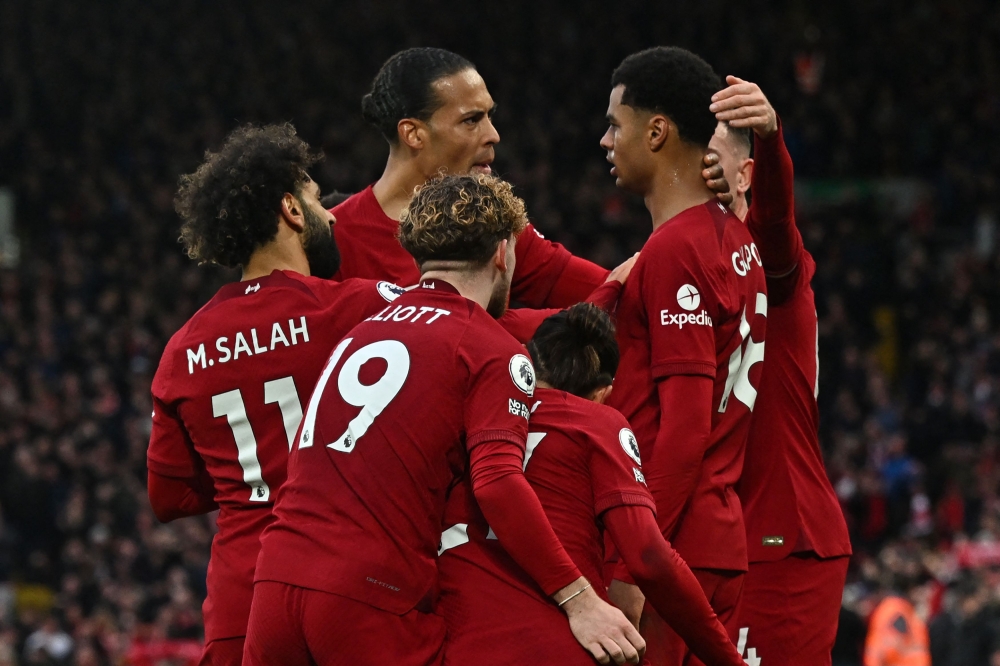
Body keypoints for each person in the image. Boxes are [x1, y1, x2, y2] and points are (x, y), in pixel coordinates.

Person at [245, 174, 644, 666]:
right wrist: (580, 601)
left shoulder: (360, 332)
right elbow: (497, 483)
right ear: (503, 252)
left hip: (276, 580)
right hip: (366, 593)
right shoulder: (490, 349)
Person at [145, 123, 405, 666]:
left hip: (242, 600)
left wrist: (251, 475)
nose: (331, 213)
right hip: (346, 583)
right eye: (315, 198)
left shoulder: (181, 351)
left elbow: (168, 499)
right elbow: (460, 327)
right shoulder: (353, 308)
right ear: (291, 209)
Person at [438, 303, 746, 666]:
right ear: (604, 391)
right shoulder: (595, 423)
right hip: (557, 641)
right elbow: (649, 556)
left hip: (447, 641)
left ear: (526, 360)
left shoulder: (466, 414)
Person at [599, 47, 767, 666]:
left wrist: (635, 562)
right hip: (718, 540)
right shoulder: (736, 240)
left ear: (657, 131)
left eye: (616, 124)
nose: (606, 140)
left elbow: (685, 428)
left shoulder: (677, 251)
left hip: (674, 546)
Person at [332, 47, 732, 304]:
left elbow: (617, 291)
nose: (493, 135)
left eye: (490, 115)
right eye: (472, 120)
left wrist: (719, 221)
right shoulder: (335, 240)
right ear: (413, 133)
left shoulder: (497, 229)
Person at [707, 77, 853, 665]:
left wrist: (769, 141)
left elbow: (775, 223)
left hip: (780, 538)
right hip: (717, 538)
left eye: (711, 157)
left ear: (744, 176)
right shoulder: (678, 267)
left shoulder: (769, 265)